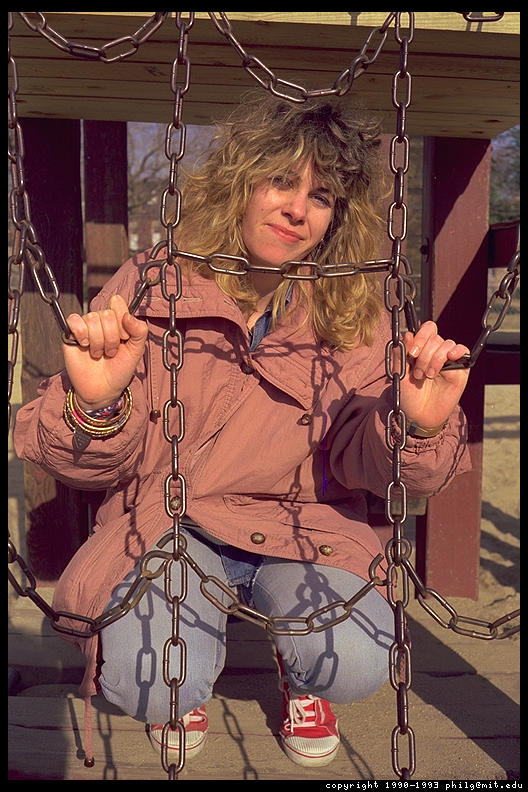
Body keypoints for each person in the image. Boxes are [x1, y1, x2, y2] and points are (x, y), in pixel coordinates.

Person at [14, 95, 472, 771]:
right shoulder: (157, 283)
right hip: (172, 520)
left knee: (352, 662)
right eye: (281, 181)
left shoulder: (356, 311)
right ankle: (186, 683)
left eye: (321, 196)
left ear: (337, 218)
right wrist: (97, 404)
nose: (297, 209)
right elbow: (89, 462)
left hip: (302, 526)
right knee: (150, 679)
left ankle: (301, 672)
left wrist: (416, 426)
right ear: (240, 182)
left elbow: (366, 461)